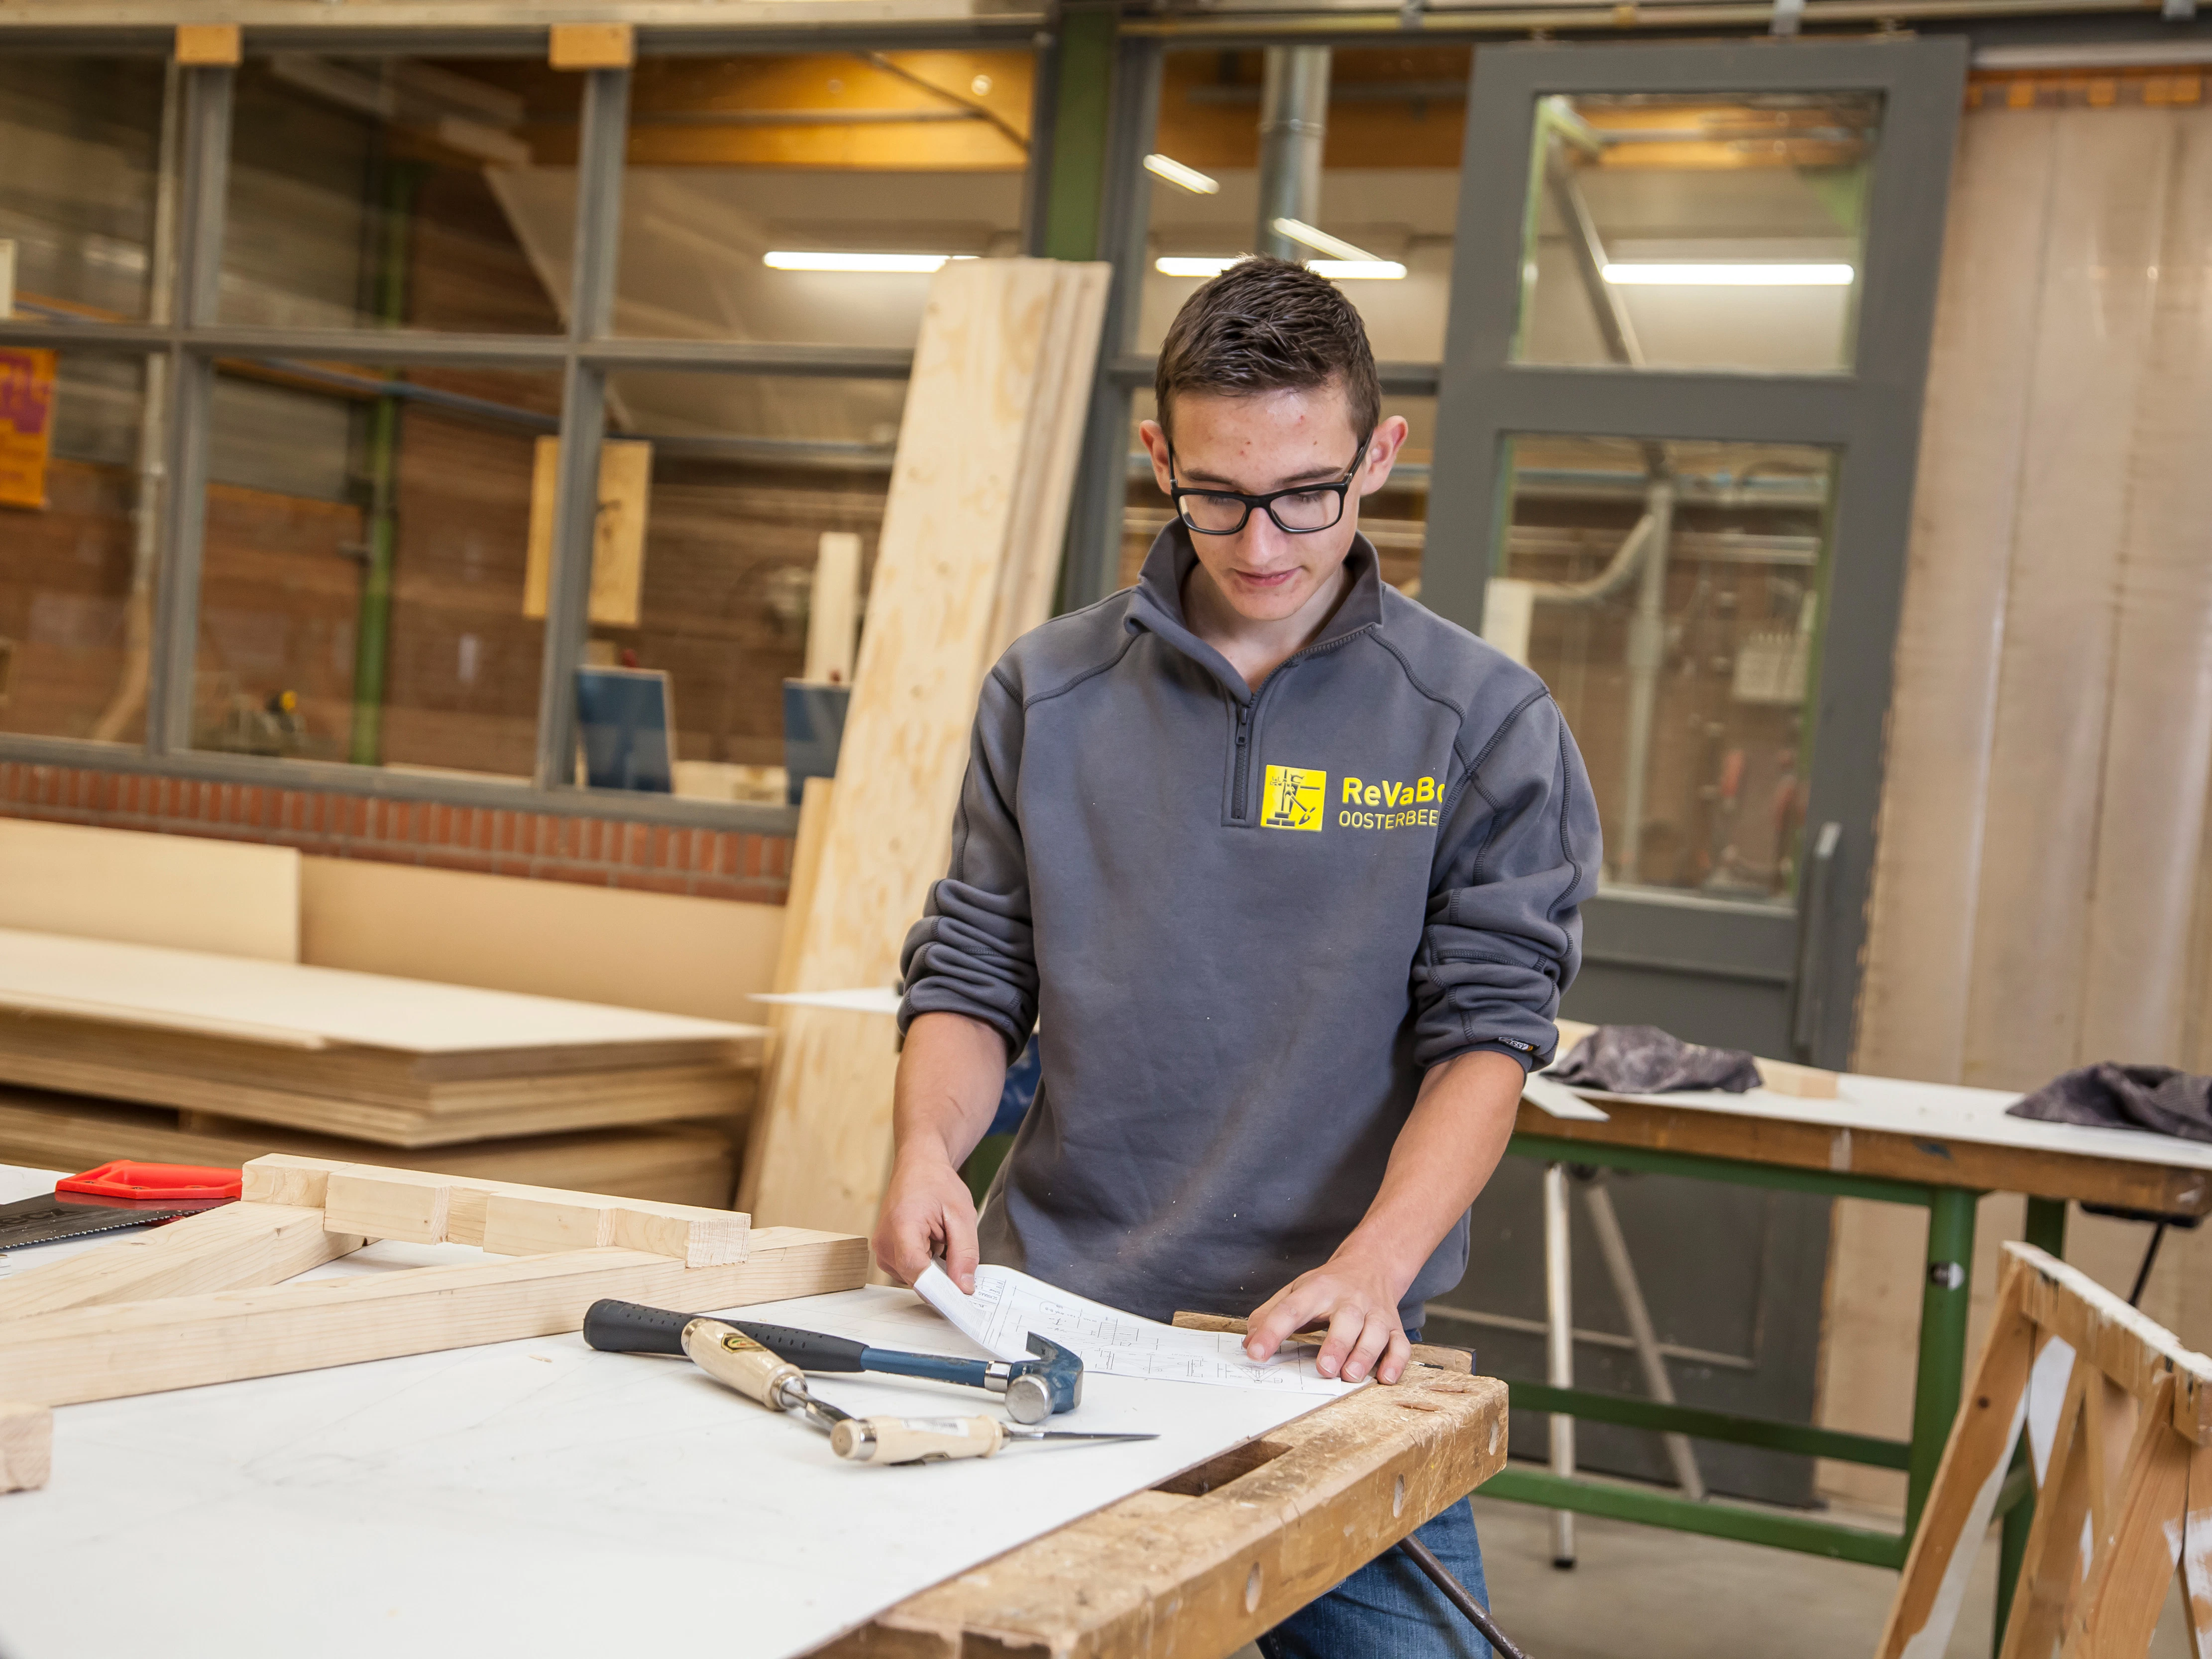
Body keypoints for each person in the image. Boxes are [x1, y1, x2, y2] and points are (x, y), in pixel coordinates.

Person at [873, 255, 1602, 1657]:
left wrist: (1375, 1268)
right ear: (1158, 455)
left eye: (1305, 494)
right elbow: (971, 974)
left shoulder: (1480, 717)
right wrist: (923, 1152)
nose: (1261, 543)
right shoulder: (1048, 690)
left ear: (1378, 454)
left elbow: (1488, 1033)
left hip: (1331, 1355)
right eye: (1213, 494)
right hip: (1052, 1333)